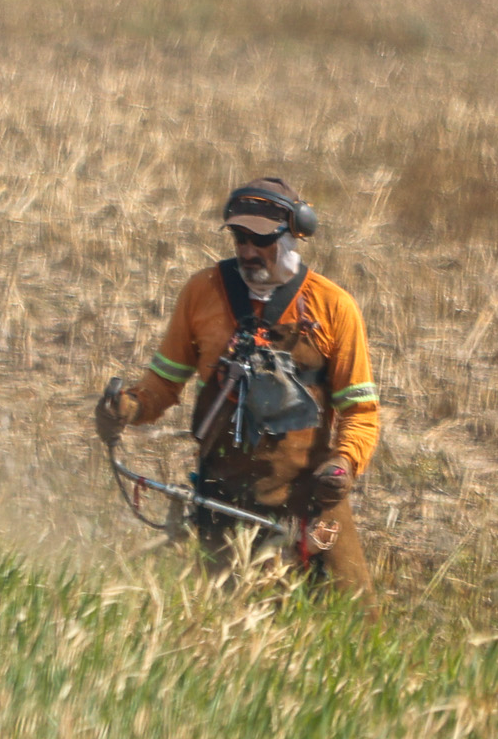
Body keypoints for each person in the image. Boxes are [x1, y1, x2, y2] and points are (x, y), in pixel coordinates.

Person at [94, 177, 381, 592]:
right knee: (220, 622)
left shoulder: (334, 306)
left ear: (295, 232)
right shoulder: (202, 292)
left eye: (260, 239)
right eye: (239, 238)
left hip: (310, 504)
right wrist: (127, 407)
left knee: (353, 622)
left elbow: (360, 411)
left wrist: (342, 465)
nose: (247, 250)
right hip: (221, 500)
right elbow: (164, 383)